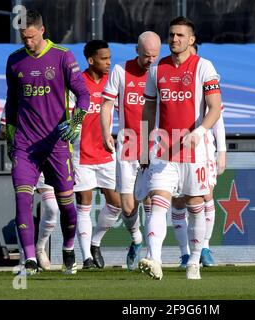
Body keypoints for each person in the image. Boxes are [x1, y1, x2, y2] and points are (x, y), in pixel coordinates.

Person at [4, 9, 90, 275]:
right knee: (22, 199)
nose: (27, 42)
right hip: (25, 143)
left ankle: (67, 250)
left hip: (56, 143)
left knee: (66, 203)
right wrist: (9, 136)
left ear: (42, 30)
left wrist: (75, 122)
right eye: (23, 37)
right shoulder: (14, 61)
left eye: (31, 36)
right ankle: (29, 260)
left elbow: (84, 95)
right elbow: (12, 103)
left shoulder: (63, 56)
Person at [139, 16, 222, 280]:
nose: (174, 39)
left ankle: (194, 261)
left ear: (191, 40)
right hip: (164, 149)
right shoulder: (156, 69)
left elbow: (215, 107)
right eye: (171, 34)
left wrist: (199, 132)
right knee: (158, 201)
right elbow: (149, 107)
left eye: (180, 36)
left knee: (195, 204)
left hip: (196, 151)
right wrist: (142, 144)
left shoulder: (204, 67)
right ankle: (154, 259)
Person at [101, 31, 161, 270]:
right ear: (137, 51)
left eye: (155, 56)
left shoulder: (161, 72)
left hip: (156, 144)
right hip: (128, 144)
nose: (150, 61)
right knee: (127, 207)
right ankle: (136, 237)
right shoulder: (120, 70)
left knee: (152, 200)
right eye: (146, 56)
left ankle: (151, 252)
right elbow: (106, 104)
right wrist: (106, 132)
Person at [170, 43, 227, 268]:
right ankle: (184, 253)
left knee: (206, 196)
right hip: (173, 147)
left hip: (203, 149)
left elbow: (218, 116)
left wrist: (221, 150)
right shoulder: (169, 75)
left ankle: (204, 247)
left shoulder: (205, 73)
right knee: (178, 200)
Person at [72, 40, 123, 270]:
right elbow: (70, 117)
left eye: (110, 58)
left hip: (106, 152)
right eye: (104, 58)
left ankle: (95, 242)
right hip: (81, 154)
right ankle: (86, 258)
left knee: (117, 203)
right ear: (91, 60)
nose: (109, 62)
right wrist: (72, 130)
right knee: (85, 202)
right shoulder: (76, 83)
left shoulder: (112, 83)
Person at [0, 108, 58, 271]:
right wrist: (17, 136)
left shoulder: (51, 97)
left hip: (47, 158)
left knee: (53, 209)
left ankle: (40, 248)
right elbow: (2, 129)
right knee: (24, 207)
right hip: (25, 159)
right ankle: (26, 257)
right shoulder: (17, 98)